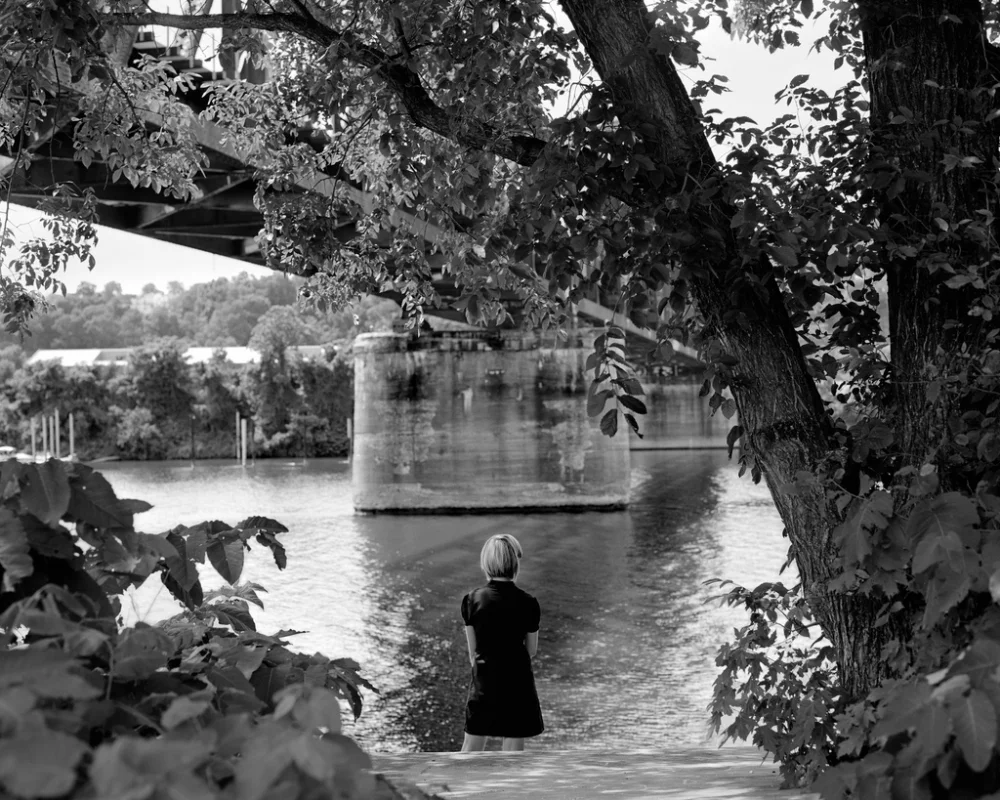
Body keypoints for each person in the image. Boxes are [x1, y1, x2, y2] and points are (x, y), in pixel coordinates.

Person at [460, 533, 544, 752]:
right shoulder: (529, 603)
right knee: (513, 756)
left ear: (486, 563)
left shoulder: (471, 600)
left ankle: (459, 788)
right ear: (515, 564)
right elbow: (531, 650)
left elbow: (473, 653)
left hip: (484, 684)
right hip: (518, 684)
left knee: (470, 751)